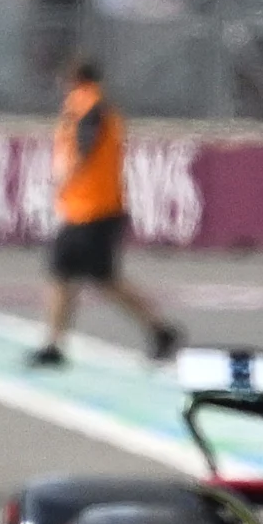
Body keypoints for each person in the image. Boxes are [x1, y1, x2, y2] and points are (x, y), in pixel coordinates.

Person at [27, 56, 179, 369]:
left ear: (72, 78)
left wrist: (61, 178)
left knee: (96, 277)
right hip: (88, 207)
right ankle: (54, 342)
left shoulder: (88, 105)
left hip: (91, 209)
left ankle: (160, 330)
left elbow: (84, 146)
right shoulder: (98, 105)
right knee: (67, 273)